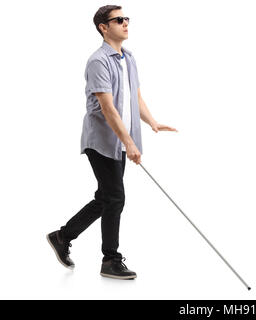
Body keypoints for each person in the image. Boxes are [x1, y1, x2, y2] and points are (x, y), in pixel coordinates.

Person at [46, 5, 178, 280]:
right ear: (103, 27)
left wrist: (151, 122)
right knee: (115, 197)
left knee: (107, 197)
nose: (126, 23)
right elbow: (108, 108)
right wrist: (129, 143)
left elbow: (134, 96)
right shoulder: (98, 61)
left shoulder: (128, 58)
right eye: (119, 20)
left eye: (126, 18)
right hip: (102, 140)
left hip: (120, 141)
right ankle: (110, 259)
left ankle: (63, 236)